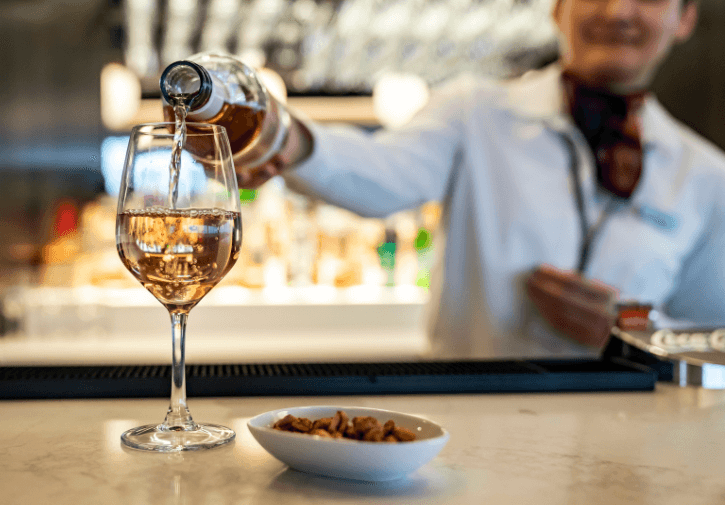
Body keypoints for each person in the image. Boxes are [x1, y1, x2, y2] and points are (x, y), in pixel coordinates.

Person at [240, 0, 725, 359]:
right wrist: (289, 139)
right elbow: (381, 175)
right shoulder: (474, 112)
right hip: (475, 422)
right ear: (557, 8)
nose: (619, 10)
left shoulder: (705, 174)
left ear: (685, 18)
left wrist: (630, 329)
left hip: (631, 452)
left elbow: (709, 338)